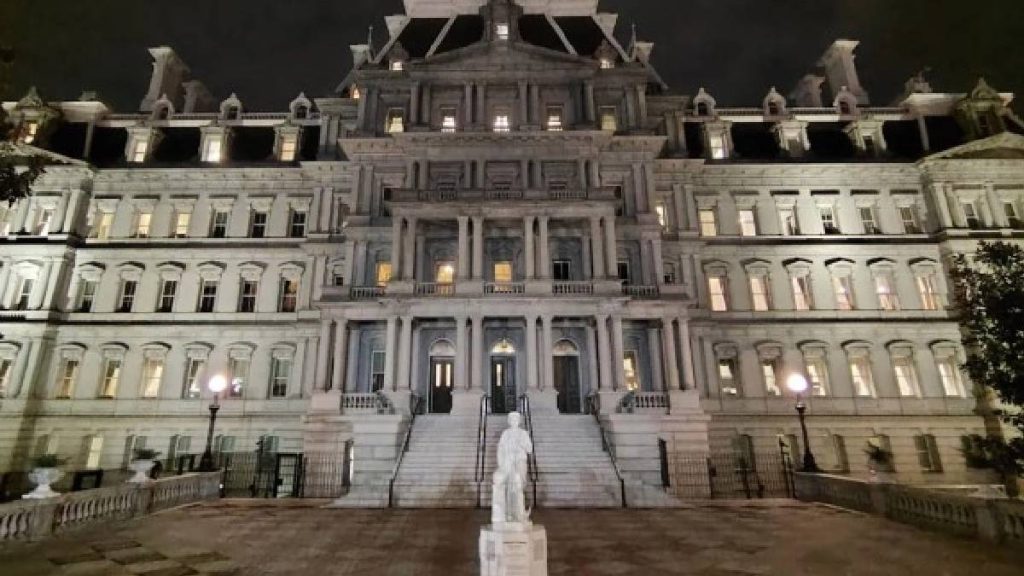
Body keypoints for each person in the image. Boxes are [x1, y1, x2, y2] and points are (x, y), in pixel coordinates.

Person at [492, 411, 534, 525]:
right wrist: (501, 464)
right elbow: (500, 448)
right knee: (508, 487)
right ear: (509, 421)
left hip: (519, 461)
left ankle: (520, 513)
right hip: (508, 462)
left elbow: (530, 449)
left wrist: (522, 444)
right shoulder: (506, 433)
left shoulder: (523, 433)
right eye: (512, 419)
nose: (514, 421)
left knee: (518, 485)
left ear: (519, 421)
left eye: (516, 419)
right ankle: (509, 512)